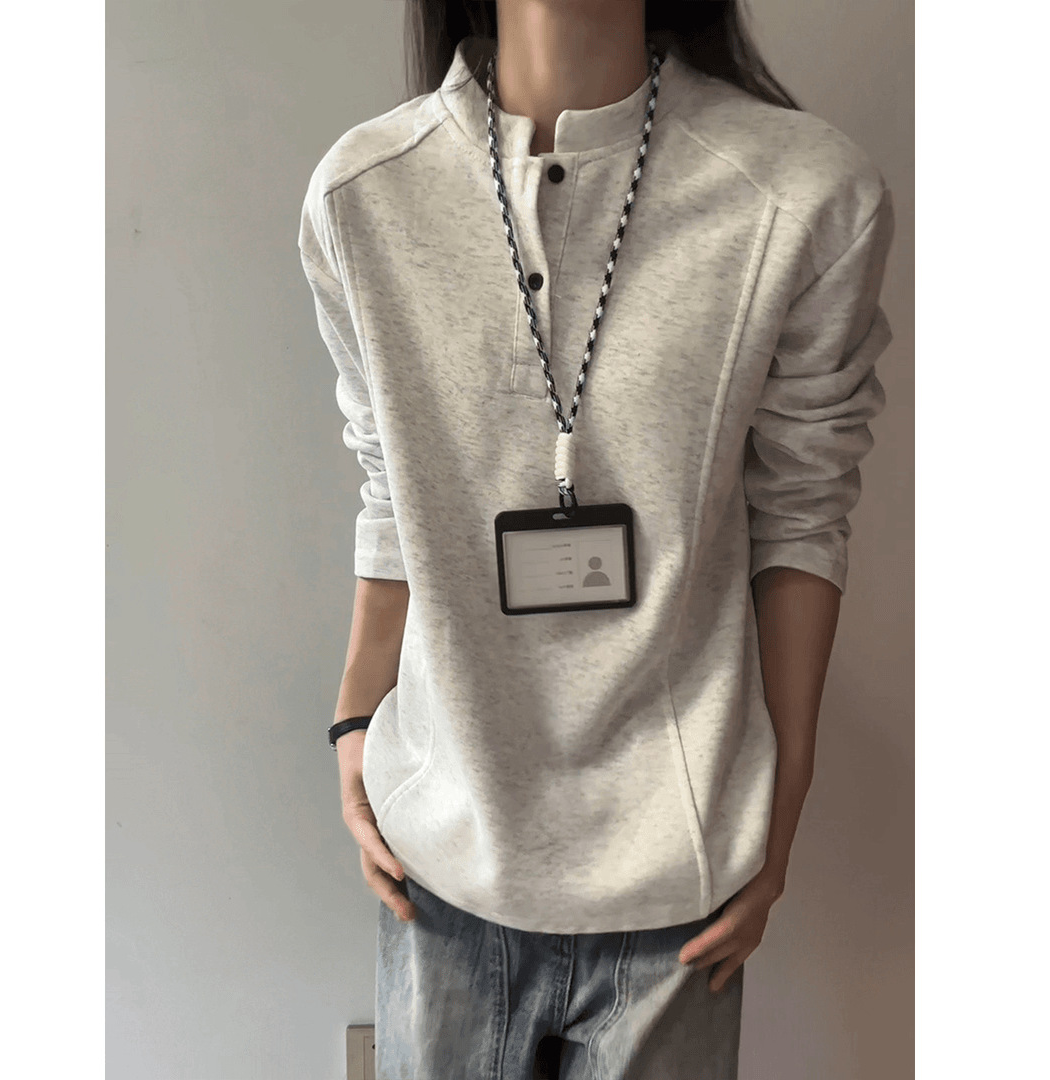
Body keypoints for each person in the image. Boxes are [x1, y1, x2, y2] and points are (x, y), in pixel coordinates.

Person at [298, 1, 895, 1076]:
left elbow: (804, 506)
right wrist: (353, 722)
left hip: (684, 880)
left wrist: (780, 809)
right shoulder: (362, 194)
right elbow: (390, 483)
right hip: (440, 859)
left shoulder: (805, 194)